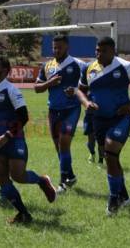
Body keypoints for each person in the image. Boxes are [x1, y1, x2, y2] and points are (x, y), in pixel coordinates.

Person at [0, 56, 56, 224]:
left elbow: (23, 117)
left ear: (5, 70)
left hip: (13, 139)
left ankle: (41, 180)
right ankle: (23, 214)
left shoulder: (11, 90)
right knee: (2, 178)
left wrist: (7, 136)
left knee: (18, 176)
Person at [77, 36, 130, 216]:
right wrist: (86, 103)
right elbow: (80, 90)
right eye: (97, 50)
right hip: (99, 119)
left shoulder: (126, 67)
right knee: (110, 157)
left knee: (111, 153)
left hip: (121, 118)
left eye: (103, 51)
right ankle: (124, 196)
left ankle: (113, 198)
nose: (99, 54)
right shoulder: (89, 68)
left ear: (112, 51)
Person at [34, 35, 85, 193]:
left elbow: (88, 85)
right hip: (53, 110)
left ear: (67, 47)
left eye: (60, 47)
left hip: (72, 109)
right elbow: (37, 88)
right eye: (54, 47)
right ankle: (70, 175)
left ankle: (62, 183)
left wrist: (76, 91)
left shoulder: (78, 64)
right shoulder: (47, 66)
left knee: (63, 143)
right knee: (58, 147)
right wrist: (50, 82)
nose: (56, 50)